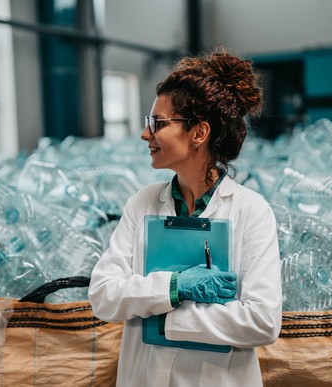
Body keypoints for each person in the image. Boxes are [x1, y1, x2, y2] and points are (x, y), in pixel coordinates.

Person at [88, 48, 282, 386]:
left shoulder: (250, 211)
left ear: (198, 133)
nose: (145, 134)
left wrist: (164, 320)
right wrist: (175, 287)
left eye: (158, 124)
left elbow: (262, 320)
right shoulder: (143, 203)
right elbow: (103, 296)